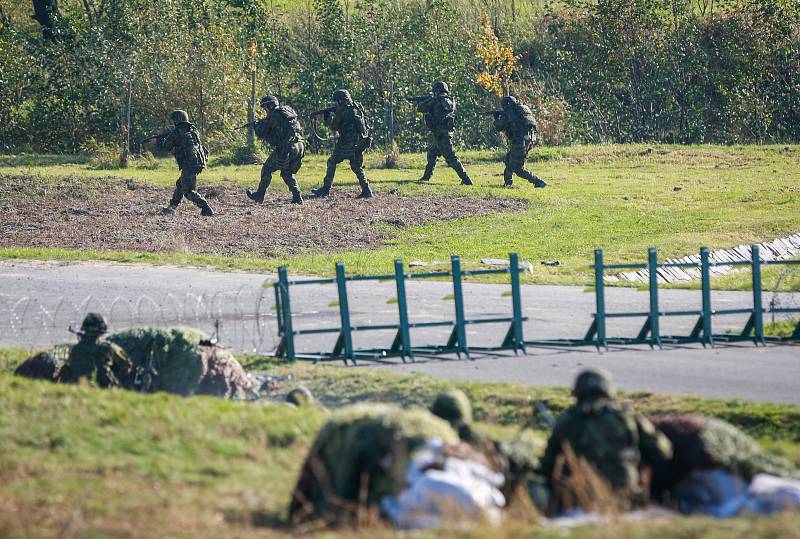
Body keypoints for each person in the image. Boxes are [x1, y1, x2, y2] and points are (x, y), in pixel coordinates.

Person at [538, 368, 672, 511]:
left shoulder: (568, 419)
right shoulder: (626, 416)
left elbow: (547, 465)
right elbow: (663, 450)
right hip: (627, 495)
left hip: (581, 499)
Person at [146, 110, 214, 216]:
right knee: (180, 184)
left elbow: (166, 146)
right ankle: (172, 206)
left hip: (189, 163)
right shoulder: (192, 130)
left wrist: (157, 141)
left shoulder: (177, 133)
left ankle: (206, 207)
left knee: (188, 190)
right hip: (198, 161)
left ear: (177, 121)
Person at [312, 89, 373, 199]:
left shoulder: (342, 111)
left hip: (347, 143)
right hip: (361, 141)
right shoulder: (357, 107)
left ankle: (326, 189)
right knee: (356, 166)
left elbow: (334, 127)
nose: (336, 104)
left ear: (340, 101)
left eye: (337, 101)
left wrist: (328, 119)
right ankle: (366, 189)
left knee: (332, 161)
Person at [246, 95, 306, 205]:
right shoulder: (287, 111)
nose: (265, 110)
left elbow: (265, 135)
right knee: (286, 172)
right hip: (300, 145)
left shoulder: (273, 116)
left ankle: (260, 195)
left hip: (287, 147)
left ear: (269, 106)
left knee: (267, 168)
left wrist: (256, 127)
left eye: (265, 108)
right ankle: (297, 196)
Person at [411, 81, 474, 186]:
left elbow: (421, 109)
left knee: (451, 158)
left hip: (441, 135)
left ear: (436, 91)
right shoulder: (449, 101)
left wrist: (421, 102)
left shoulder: (435, 101)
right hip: (443, 133)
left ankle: (466, 179)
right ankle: (426, 177)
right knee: (432, 153)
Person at [58, 313, 133, 388]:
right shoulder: (108, 348)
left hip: (77, 388)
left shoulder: (77, 349)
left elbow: (68, 368)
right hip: (102, 389)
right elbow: (126, 365)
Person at [493, 96, 547, 188]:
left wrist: (496, 117)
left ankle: (538, 182)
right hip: (530, 140)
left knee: (518, 168)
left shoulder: (510, 112)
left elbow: (499, 126)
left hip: (520, 141)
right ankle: (508, 183)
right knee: (509, 159)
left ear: (507, 105)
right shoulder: (523, 109)